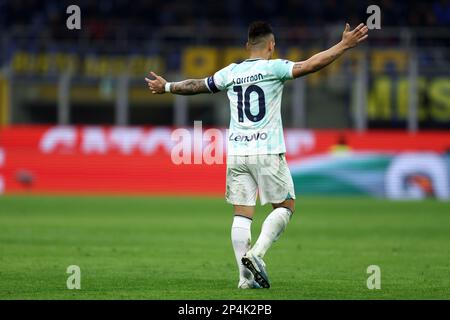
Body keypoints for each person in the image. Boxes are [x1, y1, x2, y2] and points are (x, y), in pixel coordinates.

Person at [145, 21, 368, 289]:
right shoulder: (274, 67)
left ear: (246, 46)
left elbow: (196, 85)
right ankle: (256, 255)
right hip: (267, 150)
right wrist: (343, 45)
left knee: (242, 215)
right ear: (271, 46)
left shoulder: (231, 72)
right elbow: (311, 65)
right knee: (285, 207)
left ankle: (244, 279)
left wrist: (167, 86)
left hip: (238, 152)